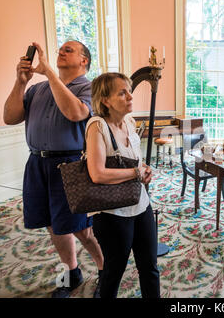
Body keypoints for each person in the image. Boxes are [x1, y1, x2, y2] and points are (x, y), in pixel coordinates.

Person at [4, 41, 104, 298]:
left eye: (68, 50)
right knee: (52, 224)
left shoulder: (90, 87)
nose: (61, 51)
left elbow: (75, 113)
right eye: (60, 48)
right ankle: (71, 274)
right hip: (37, 163)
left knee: (82, 228)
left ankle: (106, 270)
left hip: (71, 165)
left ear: (84, 60)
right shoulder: (37, 89)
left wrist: (48, 71)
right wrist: (21, 81)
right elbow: (10, 116)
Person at [86, 72, 160, 298]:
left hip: (141, 205)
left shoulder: (130, 121)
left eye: (129, 90)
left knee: (150, 267)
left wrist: (144, 170)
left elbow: (134, 161)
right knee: (113, 272)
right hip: (112, 213)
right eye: (122, 92)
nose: (130, 96)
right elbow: (97, 174)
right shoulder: (97, 125)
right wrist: (135, 172)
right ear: (105, 100)